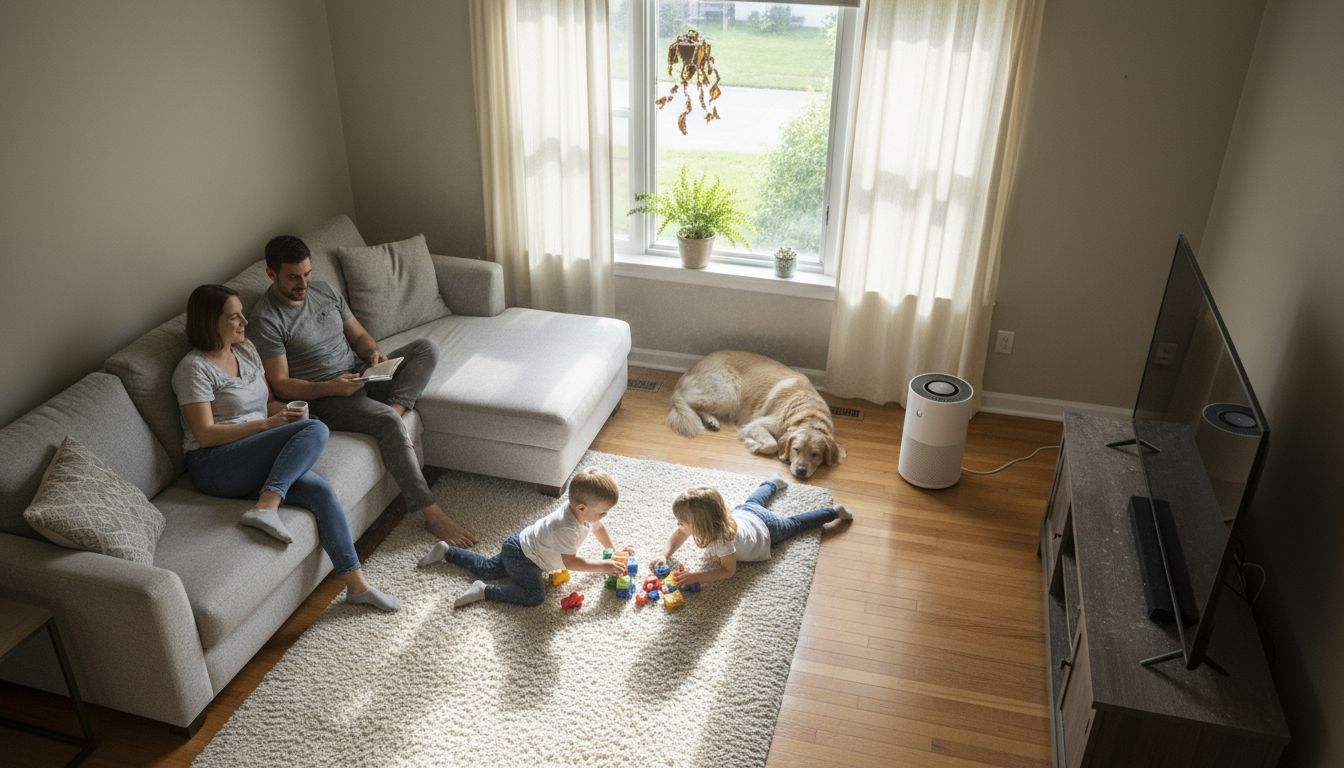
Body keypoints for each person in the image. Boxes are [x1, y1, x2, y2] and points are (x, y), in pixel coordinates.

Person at [172, 284, 399, 612]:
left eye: (242, 316)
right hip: (214, 463)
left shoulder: (246, 350)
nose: (243, 323)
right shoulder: (193, 368)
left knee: (320, 489)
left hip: (254, 449)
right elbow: (205, 434)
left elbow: (266, 403)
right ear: (210, 322)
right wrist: (270, 426)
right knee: (316, 430)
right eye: (233, 318)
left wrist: (286, 414)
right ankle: (266, 507)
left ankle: (356, 586)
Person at [247, 235, 477, 548]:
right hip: (327, 396)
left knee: (425, 348)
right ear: (271, 274)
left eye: (307, 273)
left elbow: (359, 335)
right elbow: (281, 384)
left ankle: (392, 415)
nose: (303, 283)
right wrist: (331, 387)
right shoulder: (266, 319)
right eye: (293, 277)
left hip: (361, 374)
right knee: (384, 421)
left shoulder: (324, 290)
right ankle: (431, 511)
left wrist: (373, 354)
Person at [418, 467, 630, 608]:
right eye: (603, 512)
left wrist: (613, 551)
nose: (604, 516)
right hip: (525, 558)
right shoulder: (567, 528)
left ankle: (447, 551)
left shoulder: (583, 512)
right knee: (534, 596)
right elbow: (572, 562)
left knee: (487, 567)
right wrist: (605, 566)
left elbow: (599, 528)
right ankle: (485, 590)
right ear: (582, 507)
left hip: (518, 542)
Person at [649, 476, 852, 587]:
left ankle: (833, 512)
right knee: (753, 502)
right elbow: (679, 534)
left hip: (767, 529)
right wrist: (663, 554)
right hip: (745, 514)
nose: (678, 524)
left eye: (682, 522)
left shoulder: (722, 542)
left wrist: (696, 577)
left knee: (794, 525)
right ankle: (772, 483)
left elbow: (728, 571)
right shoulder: (710, 521)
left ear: (702, 525)